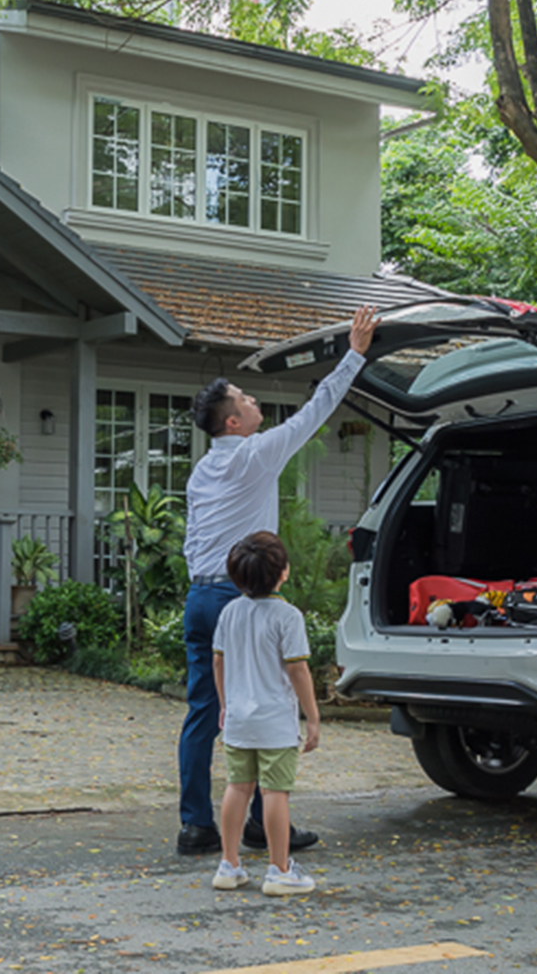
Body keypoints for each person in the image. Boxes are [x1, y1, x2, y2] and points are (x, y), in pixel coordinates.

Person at [175, 305, 377, 856]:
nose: (255, 401)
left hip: (200, 597)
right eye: (246, 399)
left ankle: (196, 826)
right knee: (266, 703)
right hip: (242, 599)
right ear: (233, 423)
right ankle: (266, 824)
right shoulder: (255, 456)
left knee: (205, 711)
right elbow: (317, 411)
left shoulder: (202, 469)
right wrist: (353, 355)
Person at [210, 531, 320, 895]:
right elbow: (297, 671)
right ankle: (279, 869)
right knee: (275, 793)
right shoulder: (288, 617)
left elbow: (218, 661)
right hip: (275, 722)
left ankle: (229, 864)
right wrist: (313, 716)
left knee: (237, 788)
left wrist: (225, 704)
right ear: (283, 573)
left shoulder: (230, 612)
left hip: (238, 719)